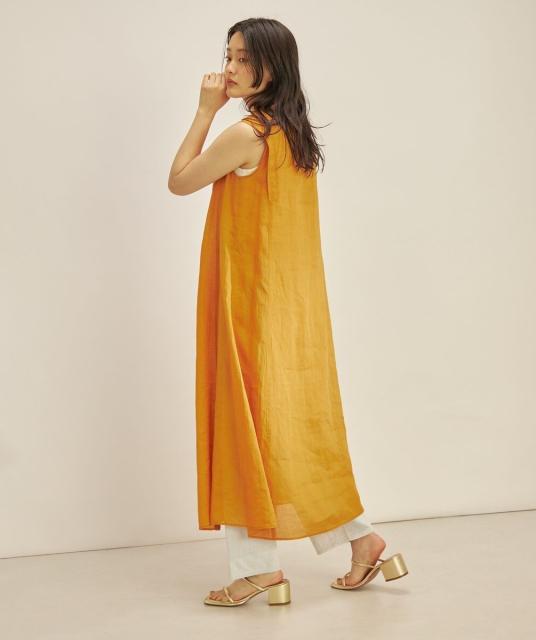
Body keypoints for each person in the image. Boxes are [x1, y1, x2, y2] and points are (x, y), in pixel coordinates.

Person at [168, 18, 407, 607]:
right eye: (227, 56)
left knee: (244, 431)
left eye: (242, 59)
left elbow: (179, 181)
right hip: (290, 310)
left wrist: (204, 111)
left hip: (250, 308)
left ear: (272, 67)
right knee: (291, 432)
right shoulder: (294, 134)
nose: (228, 69)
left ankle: (258, 570)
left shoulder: (246, 134)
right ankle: (363, 540)